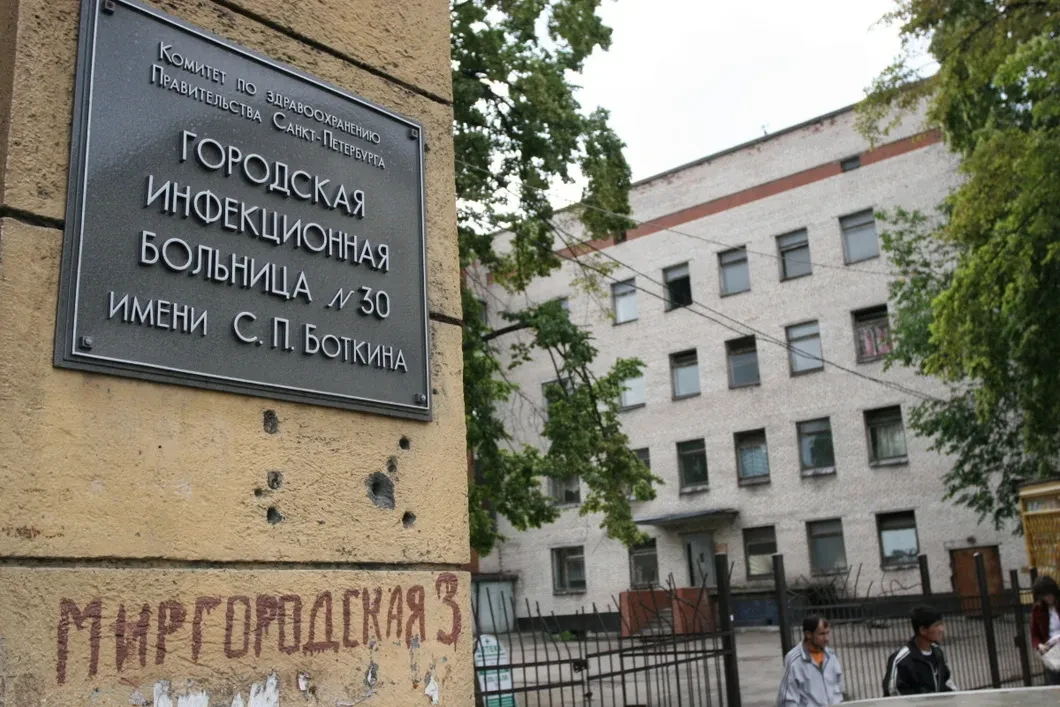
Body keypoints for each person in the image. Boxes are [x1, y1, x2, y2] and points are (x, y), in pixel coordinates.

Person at [883, 605, 957, 695]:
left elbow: (945, 681)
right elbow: (892, 691)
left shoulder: (937, 653)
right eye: (937, 625)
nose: (942, 629)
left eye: (941, 624)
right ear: (922, 630)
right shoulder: (902, 660)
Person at [776, 615, 844, 706]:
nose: (827, 638)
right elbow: (787, 700)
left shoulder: (831, 656)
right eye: (822, 634)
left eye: (828, 633)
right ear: (808, 634)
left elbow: (839, 688)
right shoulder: (795, 660)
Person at [1030, 574, 1060, 685]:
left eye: (1049, 594)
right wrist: (1039, 645)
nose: (1047, 598)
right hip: (1052, 654)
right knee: (1055, 685)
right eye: (1044, 595)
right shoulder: (1038, 609)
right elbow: (1035, 634)